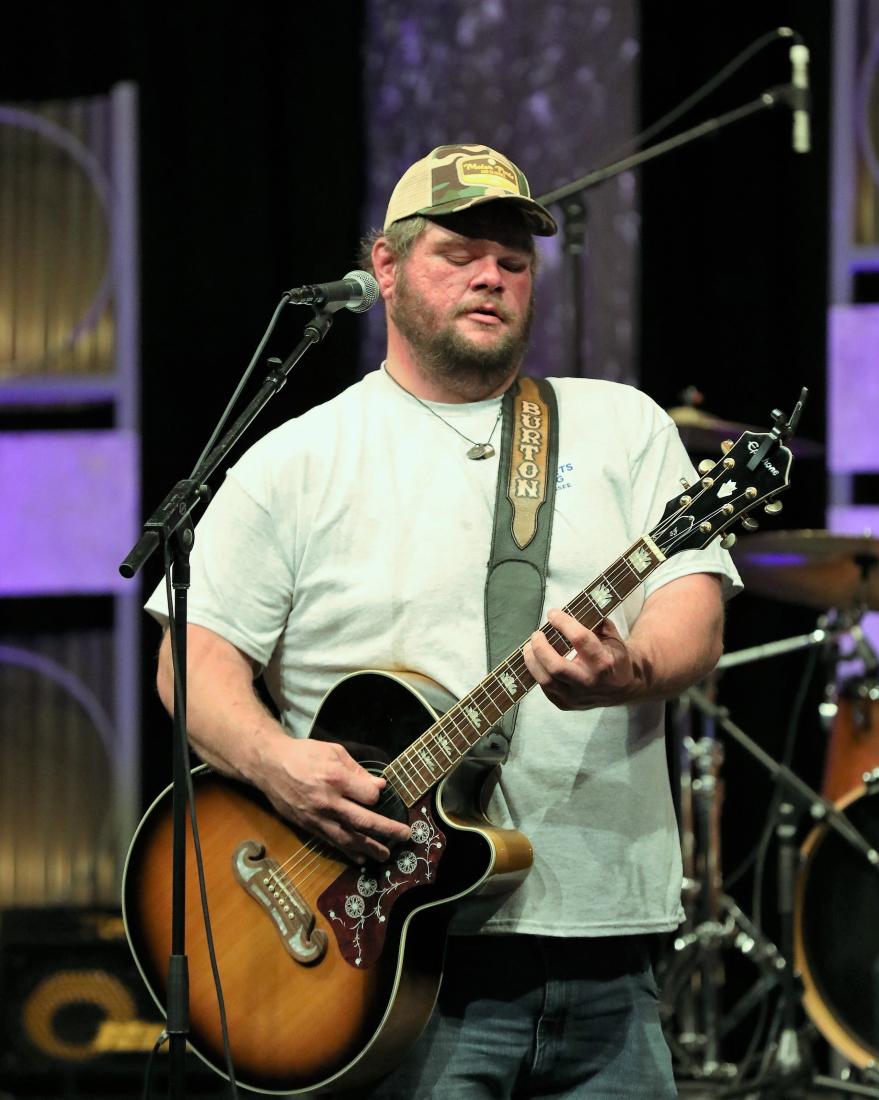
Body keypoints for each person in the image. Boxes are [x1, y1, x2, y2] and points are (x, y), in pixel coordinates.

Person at [146, 143, 740, 1098]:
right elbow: (195, 663)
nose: (491, 277)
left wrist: (626, 671)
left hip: (607, 959)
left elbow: (693, 616)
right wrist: (277, 765)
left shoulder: (624, 427)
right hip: (370, 966)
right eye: (458, 253)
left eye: (513, 260)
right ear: (384, 266)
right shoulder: (295, 460)